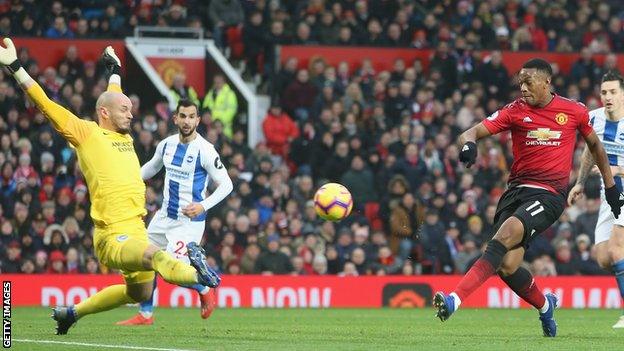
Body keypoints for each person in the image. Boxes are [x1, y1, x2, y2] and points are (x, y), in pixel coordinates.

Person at [0, 39, 221, 335]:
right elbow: (46, 105)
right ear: (104, 113)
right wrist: (16, 68)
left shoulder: (121, 127)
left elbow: (114, 93)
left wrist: (115, 69)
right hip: (113, 235)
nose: (131, 113)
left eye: (130, 109)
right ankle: (200, 276)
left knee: (140, 293)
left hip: (137, 228)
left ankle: (71, 314)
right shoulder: (86, 133)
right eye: (125, 110)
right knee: (155, 256)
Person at [433, 58, 624, 337]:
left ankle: (454, 300)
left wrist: (610, 186)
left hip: (549, 195)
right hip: (516, 192)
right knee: (508, 266)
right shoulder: (514, 111)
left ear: (546, 82)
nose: (522, 87)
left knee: (503, 236)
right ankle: (546, 305)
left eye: (528, 81)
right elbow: (470, 131)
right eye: (520, 82)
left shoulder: (573, 111)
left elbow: (595, 146)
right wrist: (469, 144)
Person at [116, 98, 233, 325]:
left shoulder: (205, 150)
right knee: (143, 259)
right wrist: (129, 181)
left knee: (171, 270)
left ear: (198, 120)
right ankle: (145, 314)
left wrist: (203, 205)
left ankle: (204, 288)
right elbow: (152, 167)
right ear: (175, 118)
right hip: (164, 216)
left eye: (191, 117)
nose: (187, 121)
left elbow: (227, 184)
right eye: (183, 116)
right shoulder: (167, 145)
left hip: (189, 221)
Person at [569, 71, 624, 329]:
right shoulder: (593, 118)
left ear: (622, 94)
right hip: (607, 194)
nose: (608, 97)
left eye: (613, 92)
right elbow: (589, 153)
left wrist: (617, 170)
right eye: (604, 92)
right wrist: (579, 182)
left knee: (616, 251)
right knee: (603, 257)